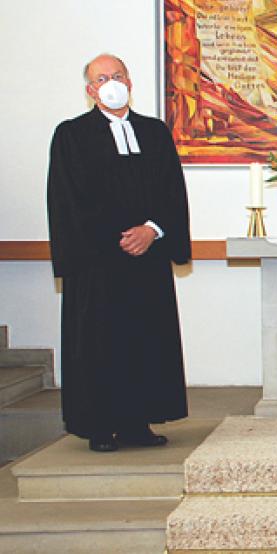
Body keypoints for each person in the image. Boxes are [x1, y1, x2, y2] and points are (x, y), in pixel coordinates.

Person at [46, 54, 191, 453]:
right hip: (98, 265)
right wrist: (118, 237)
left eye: (117, 76)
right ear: (90, 90)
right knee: (101, 343)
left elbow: (171, 192)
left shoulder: (155, 132)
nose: (111, 83)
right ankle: (100, 425)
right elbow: (68, 200)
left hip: (147, 261)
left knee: (145, 340)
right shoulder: (72, 135)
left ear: (130, 81)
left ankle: (137, 423)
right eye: (101, 78)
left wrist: (153, 230)